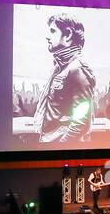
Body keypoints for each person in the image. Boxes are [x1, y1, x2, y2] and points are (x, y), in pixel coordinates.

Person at [33, 13, 96, 143]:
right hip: (50, 143)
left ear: (67, 35)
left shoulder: (77, 69)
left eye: (52, 31)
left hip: (58, 149)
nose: (47, 36)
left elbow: (81, 123)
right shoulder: (60, 67)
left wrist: (59, 147)